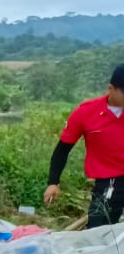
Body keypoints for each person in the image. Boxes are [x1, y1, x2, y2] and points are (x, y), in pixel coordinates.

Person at [43, 64, 124, 228]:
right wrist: (53, 182)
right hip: (109, 181)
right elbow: (62, 149)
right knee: (98, 229)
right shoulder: (86, 112)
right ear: (111, 89)